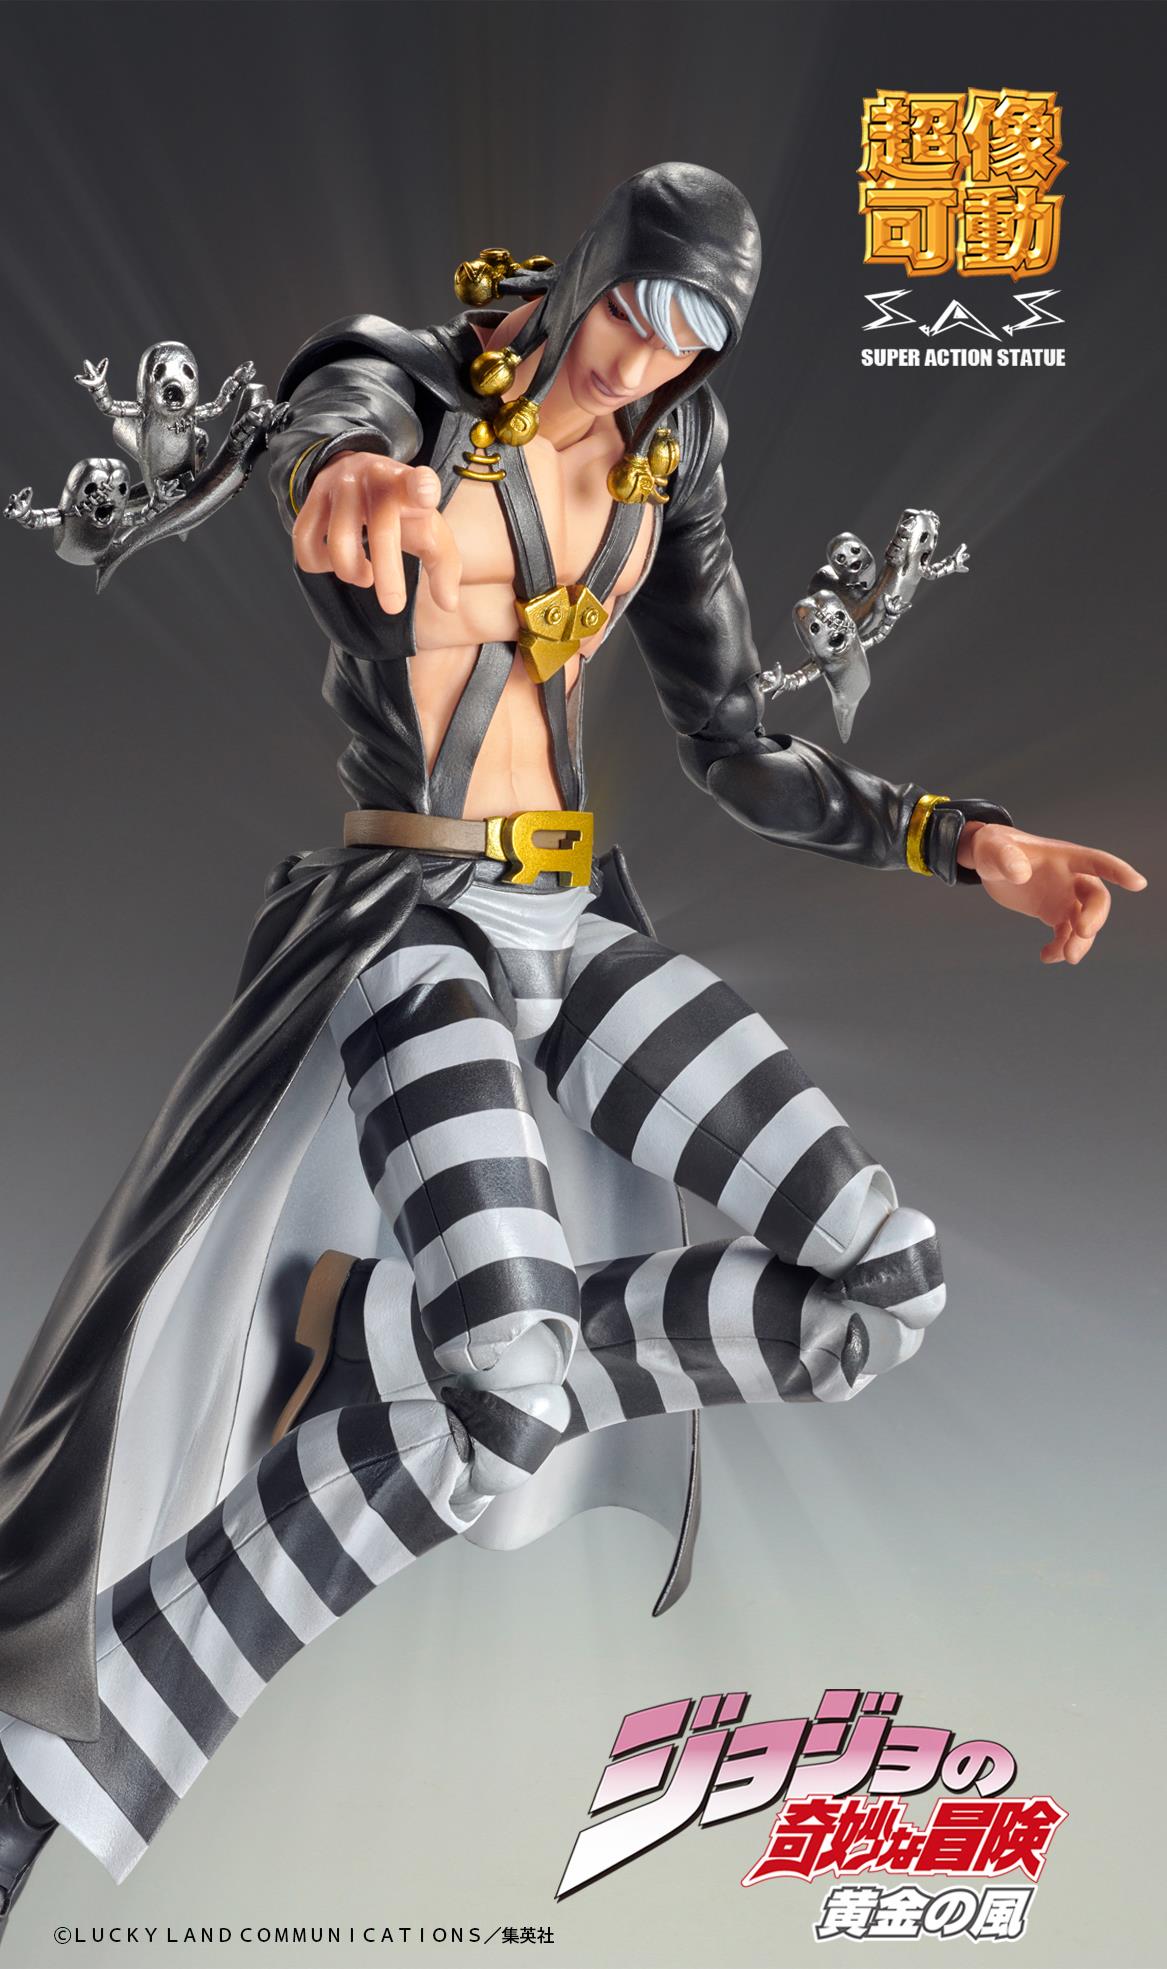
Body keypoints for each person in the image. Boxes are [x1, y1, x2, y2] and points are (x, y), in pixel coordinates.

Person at [0, 163, 1145, 1932]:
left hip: (572, 926)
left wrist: (961, 837)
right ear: (591, 264)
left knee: (879, 1291)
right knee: (502, 1414)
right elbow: (328, 441)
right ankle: (43, 1769)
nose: (637, 360)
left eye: (687, 341)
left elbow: (736, 741)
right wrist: (344, 481)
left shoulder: (669, 458)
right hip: (411, 929)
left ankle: (387, 1339)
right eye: (630, 309)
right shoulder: (404, 385)